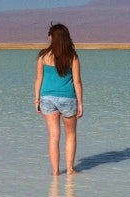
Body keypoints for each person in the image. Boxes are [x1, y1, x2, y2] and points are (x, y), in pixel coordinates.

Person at [35, 23, 83, 176]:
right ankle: (70, 170)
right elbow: (77, 82)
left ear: (52, 37)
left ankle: (55, 172)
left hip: (47, 98)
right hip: (68, 99)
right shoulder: (72, 57)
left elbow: (38, 79)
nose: (48, 37)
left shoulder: (43, 56)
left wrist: (37, 99)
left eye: (49, 34)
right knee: (71, 134)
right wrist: (80, 103)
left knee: (54, 136)